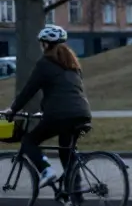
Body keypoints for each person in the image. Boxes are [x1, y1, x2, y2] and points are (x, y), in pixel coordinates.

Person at [1, 25, 91, 190]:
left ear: (46, 44)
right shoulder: (73, 65)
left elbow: (29, 90)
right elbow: (67, 92)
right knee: (66, 151)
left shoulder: (45, 64)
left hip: (60, 115)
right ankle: (75, 193)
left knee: (29, 141)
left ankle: (46, 170)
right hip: (82, 113)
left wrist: (13, 109)